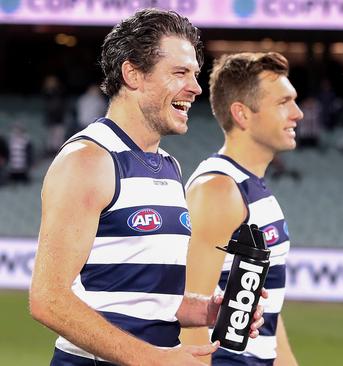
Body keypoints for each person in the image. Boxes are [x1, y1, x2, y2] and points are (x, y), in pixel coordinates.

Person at [29, 9, 263, 365]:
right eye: (180, 73)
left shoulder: (169, 166)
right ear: (132, 74)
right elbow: (48, 300)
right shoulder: (88, 159)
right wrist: (154, 359)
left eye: (195, 75)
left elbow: (138, 298)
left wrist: (204, 311)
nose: (196, 88)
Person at [181, 52, 302, 365]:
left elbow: (271, 309)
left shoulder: (250, 187)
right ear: (242, 114)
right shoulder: (218, 190)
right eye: (283, 102)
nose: (298, 113)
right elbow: (188, 325)